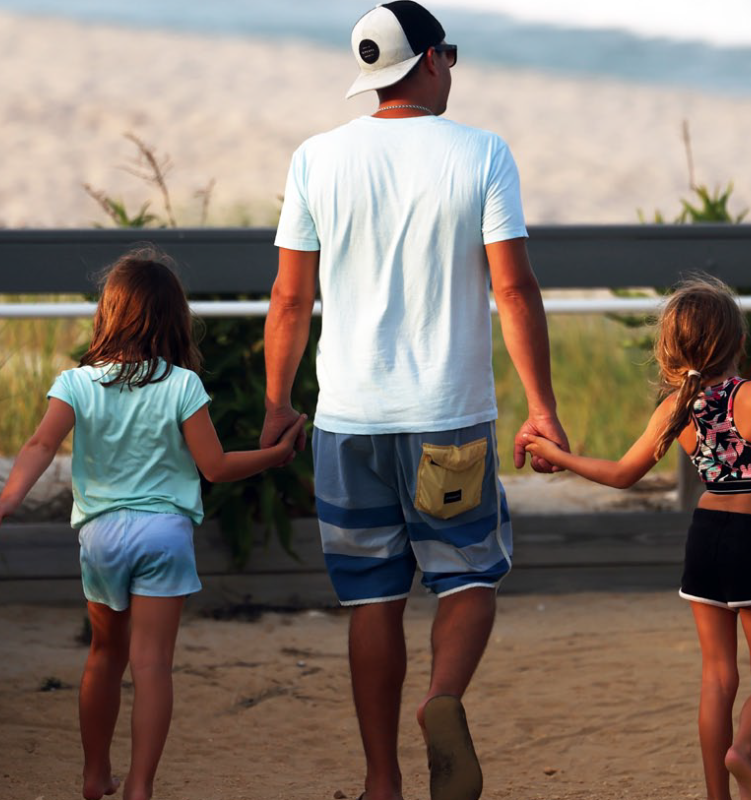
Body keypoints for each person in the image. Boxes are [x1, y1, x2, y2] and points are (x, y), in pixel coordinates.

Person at [260, 3, 568, 799]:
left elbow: (290, 301)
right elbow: (513, 287)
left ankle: (380, 780)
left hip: (347, 424)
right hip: (448, 415)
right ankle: (441, 700)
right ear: (431, 61)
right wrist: (542, 406)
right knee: (466, 576)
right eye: (451, 56)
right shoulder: (482, 153)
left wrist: (275, 403)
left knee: (372, 597)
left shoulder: (315, 159)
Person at [0, 249, 304, 800]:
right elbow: (215, 469)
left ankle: (95, 774)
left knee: (104, 655)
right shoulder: (181, 386)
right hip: (163, 536)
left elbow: (39, 444)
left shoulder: (75, 384)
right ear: (174, 317)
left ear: (108, 314)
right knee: (152, 666)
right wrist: (275, 455)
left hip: (101, 538)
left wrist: (7, 500)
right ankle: (141, 786)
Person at [520, 277, 751, 800]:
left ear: (670, 349)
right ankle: (742, 753)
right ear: (738, 342)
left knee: (716, 677)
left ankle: (716, 795)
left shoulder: (675, 410)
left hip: (704, 540)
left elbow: (621, 474)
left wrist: (559, 455)